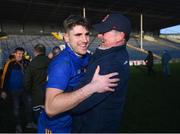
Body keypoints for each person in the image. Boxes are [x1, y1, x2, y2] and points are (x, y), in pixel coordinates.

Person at [38, 15, 119, 133]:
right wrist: (92, 87)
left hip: (75, 124)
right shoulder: (62, 64)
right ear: (66, 38)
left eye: (86, 34)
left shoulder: (86, 56)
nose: (85, 40)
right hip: (56, 128)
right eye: (78, 35)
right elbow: (50, 108)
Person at [70, 13, 131, 133]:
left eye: (104, 32)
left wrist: (58, 93)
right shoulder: (117, 54)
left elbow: (77, 105)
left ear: (120, 37)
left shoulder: (109, 65)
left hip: (92, 127)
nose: (98, 35)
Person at [0, 47, 34, 132]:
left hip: (25, 89)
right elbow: (5, 77)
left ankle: (29, 122)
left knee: (30, 103)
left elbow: (31, 74)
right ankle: (18, 126)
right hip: (14, 90)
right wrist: (3, 90)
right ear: (14, 54)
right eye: (18, 53)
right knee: (16, 108)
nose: (20, 55)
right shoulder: (9, 63)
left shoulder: (26, 62)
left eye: (22, 54)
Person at [24, 44, 50, 125]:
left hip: (36, 93)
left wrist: (28, 90)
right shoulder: (51, 62)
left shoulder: (32, 64)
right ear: (44, 52)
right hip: (49, 93)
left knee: (37, 113)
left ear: (35, 52)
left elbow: (26, 81)